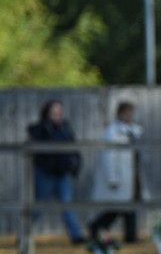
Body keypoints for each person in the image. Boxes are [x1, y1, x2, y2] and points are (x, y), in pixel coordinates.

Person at [27, 100, 86, 244]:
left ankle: (76, 236)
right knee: (38, 206)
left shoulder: (65, 128)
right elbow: (36, 151)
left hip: (62, 174)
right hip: (45, 174)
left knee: (68, 206)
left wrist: (75, 166)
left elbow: (73, 149)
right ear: (47, 113)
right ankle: (25, 233)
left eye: (59, 112)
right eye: (54, 112)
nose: (57, 115)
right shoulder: (40, 128)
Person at [88, 101, 145, 244]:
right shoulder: (112, 131)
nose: (129, 116)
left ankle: (130, 235)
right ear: (119, 114)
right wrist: (112, 178)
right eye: (126, 112)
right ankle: (97, 226)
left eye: (131, 112)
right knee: (120, 206)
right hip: (121, 174)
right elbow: (109, 156)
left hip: (133, 173)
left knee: (129, 205)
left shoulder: (134, 131)